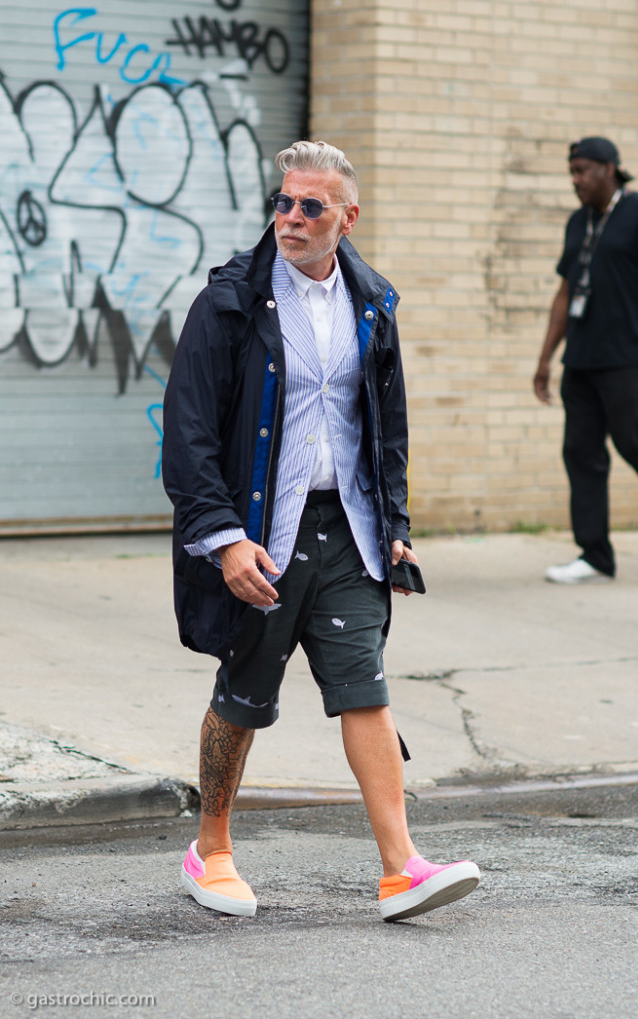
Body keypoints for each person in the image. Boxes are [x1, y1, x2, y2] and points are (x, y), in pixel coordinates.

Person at [162, 140, 480, 921]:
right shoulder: (231, 301)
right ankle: (211, 848)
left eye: (310, 206)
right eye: (283, 201)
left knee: (364, 687)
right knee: (245, 695)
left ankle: (402, 867)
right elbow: (188, 434)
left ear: (347, 216)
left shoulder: (371, 302)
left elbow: (387, 425)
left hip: (348, 530)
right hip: (263, 529)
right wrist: (224, 536)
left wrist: (396, 523)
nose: (291, 217)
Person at [533, 136, 638, 584]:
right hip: (581, 360)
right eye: (572, 171)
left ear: (610, 168)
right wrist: (545, 359)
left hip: (630, 357)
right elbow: (564, 294)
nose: (575, 179)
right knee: (581, 452)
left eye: (583, 170)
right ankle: (594, 554)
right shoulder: (580, 221)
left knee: (637, 445)